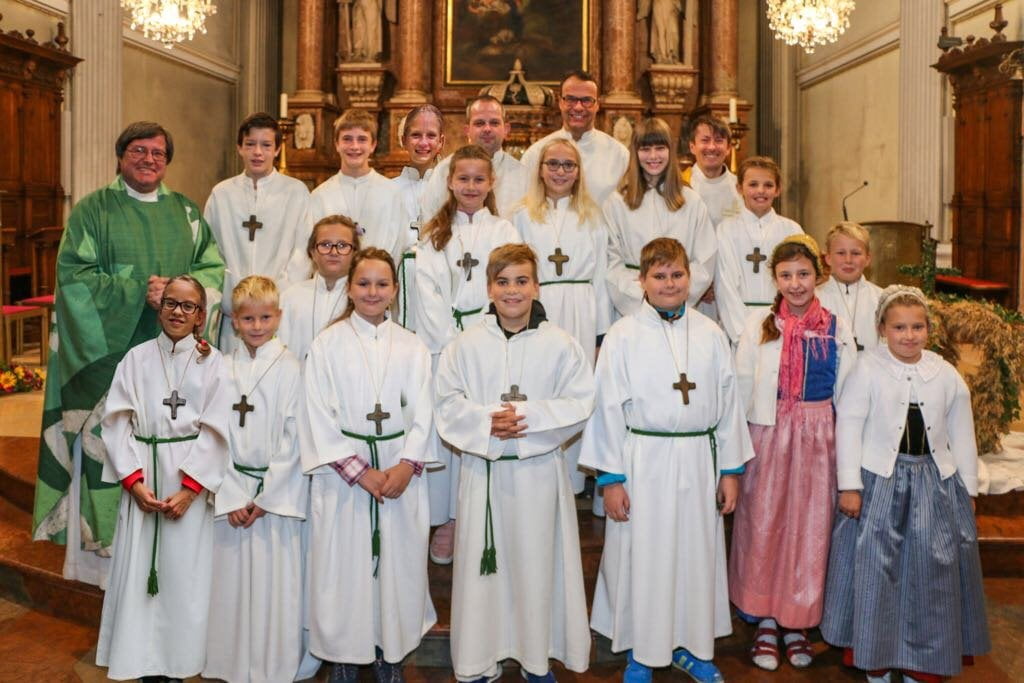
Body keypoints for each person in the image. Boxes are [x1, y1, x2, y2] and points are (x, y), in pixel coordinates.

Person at [32, 121, 225, 588]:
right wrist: (139, 290)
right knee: (109, 443)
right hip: (108, 360)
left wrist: (180, 294)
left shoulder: (186, 213)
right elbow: (74, 277)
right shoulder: (93, 210)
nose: (149, 160)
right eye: (139, 151)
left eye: (159, 153)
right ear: (120, 156)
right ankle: (104, 564)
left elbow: (212, 271)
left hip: (172, 363)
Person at [580, 237, 753, 683]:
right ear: (641, 281)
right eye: (659, 275)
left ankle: (692, 647)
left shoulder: (711, 334)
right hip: (644, 461)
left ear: (689, 278)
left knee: (697, 554)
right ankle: (643, 649)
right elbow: (606, 407)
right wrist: (612, 478)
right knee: (645, 555)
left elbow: (730, 403)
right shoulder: (622, 336)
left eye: (676, 274)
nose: (669, 282)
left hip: (699, 459)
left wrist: (730, 470)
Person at [434, 244, 594, 683]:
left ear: (536, 285)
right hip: (482, 473)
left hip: (537, 474)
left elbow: (580, 400)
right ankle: (480, 659)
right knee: (484, 572)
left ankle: (534, 657)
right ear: (488, 288)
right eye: (502, 282)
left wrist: (526, 421)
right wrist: (488, 422)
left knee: (535, 563)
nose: (512, 290)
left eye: (522, 281)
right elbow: (445, 403)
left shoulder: (560, 343)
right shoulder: (465, 344)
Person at [820, 285, 990, 683]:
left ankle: (922, 663)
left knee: (931, 575)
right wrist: (849, 484)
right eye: (899, 327)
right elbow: (848, 425)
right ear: (882, 328)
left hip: (933, 484)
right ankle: (877, 659)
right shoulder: (866, 368)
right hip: (879, 485)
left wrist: (968, 489)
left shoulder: (944, 373)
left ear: (929, 329)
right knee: (877, 572)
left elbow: (963, 435)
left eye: (917, 327)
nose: (909, 335)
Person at [300, 248, 437, 683]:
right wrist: (361, 472)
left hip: (399, 476)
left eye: (382, 284)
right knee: (343, 571)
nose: (372, 292)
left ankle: (389, 654)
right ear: (350, 288)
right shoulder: (327, 344)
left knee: (398, 568)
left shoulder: (412, 345)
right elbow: (316, 412)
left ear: (395, 290)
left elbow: (425, 411)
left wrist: (405, 466)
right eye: (363, 283)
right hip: (345, 482)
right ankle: (343, 655)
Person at [729, 234, 857, 671]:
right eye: (786, 275)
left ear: (818, 274)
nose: (796, 283)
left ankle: (797, 622)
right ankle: (765, 618)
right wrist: (736, 450)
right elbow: (740, 389)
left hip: (819, 438)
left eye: (803, 274)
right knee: (763, 524)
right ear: (775, 278)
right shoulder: (757, 326)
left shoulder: (837, 327)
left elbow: (851, 395)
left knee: (808, 529)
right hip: (768, 435)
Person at [95, 274, 231, 682]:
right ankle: (141, 664)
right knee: (140, 576)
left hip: (186, 482)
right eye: (171, 303)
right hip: (145, 478)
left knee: (181, 580)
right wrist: (134, 482)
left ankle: (176, 665)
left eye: (188, 306)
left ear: (200, 316)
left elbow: (218, 428)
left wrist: (190, 491)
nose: (177, 312)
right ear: (160, 307)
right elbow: (116, 421)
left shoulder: (215, 364)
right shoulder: (136, 359)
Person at [415, 144, 521, 565]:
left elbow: (514, 284)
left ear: (491, 183)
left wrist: (484, 335)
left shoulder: (506, 231)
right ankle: (445, 519)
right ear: (450, 182)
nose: (471, 186)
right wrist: (452, 340)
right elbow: (427, 289)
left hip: (492, 344)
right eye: (464, 179)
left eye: (480, 179)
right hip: (446, 345)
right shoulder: (434, 234)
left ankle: (476, 515)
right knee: (449, 430)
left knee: (485, 425)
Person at [203, 276, 307, 683]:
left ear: (278, 317)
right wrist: (230, 494)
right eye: (248, 318)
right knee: (229, 587)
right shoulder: (221, 369)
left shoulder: (292, 368)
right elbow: (210, 433)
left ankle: (273, 667)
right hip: (232, 492)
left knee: (274, 590)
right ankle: (230, 663)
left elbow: (296, 437)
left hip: (272, 502)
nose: (257, 326)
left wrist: (265, 498)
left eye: (265, 317)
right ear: (234, 321)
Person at [511, 137, 611, 495]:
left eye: (568, 165)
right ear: (539, 169)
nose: (560, 171)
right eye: (552, 163)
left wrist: (602, 335)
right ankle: (537, 470)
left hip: (582, 308)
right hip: (538, 309)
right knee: (540, 386)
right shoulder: (521, 215)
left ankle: (572, 481)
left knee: (576, 391)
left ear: (579, 172)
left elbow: (601, 277)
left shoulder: (592, 215)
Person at [204, 113, 311, 352]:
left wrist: (274, 299)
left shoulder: (296, 192)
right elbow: (210, 252)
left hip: (276, 312)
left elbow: (302, 252)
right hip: (234, 313)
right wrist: (232, 297)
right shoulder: (222, 195)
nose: (258, 152)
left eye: (266, 145)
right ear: (239, 148)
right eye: (250, 144)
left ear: (277, 149)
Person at [605, 117, 716, 317]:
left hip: (681, 308)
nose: (653, 156)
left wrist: (673, 295)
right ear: (635, 152)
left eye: (660, 148)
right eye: (645, 149)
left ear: (670, 151)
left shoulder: (691, 201)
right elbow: (611, 262)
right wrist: (645, 296)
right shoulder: (617, 202)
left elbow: (705, 261)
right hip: (633, 306)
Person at [715, 156, 803, 345]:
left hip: (784, 328)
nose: (760, 191)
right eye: (753, 184)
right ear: (739, 188)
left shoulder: (792, 231)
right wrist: (743, 336)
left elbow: (801, 283)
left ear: (778, 190)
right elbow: (725, 286)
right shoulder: (726, 230)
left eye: (768, 185)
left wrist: (785, 326)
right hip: (738, 331)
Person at [305, 109, 405, 265]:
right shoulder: (321, 195)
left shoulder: (391, 193)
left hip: (377, 280)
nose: (354, 146)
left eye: (362, 139)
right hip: (334, 281)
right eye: (347, 139)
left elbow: (399, 245)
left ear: (373, 145)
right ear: (337, 144)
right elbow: (314, 247)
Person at [520, 70, 630, 206]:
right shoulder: (535, 153)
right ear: (560, 102)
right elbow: (525, 205)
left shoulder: (619, 154)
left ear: (597, 105)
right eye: (571, 99)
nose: (578, 107)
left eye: (587, 100)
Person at [421, 95, 527, 220]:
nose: (487, 129)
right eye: (479, 123)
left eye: (494, 123)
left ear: (506, 129)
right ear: (467, 130)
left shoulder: (523, 174)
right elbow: (430, 219)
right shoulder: (445, 170)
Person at [392, 104, 446, 331]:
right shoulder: (388, 190)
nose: (423, 143)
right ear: (403, 140)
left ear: (441, 141)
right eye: (416, 135)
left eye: (431, 136)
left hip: (440, 284)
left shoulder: (450, 189)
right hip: (398, 286)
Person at [278, 215, 361, 362]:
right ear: (312, 252)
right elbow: (278, 353)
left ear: (355, 253)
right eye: (325, 245)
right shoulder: (291, 297)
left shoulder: (363, 299)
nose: (333, 252)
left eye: (342, 246)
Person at [816, 221, 883, 352]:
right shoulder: (815, 298)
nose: (848, 260)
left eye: (856, 253)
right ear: (828, 258)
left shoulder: (881, 298)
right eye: (841, 253)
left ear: (868, 259)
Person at [682, 115, 741, 226]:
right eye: (705, 140)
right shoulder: (679, 185)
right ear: (692, 147)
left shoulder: (741, 187)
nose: (712, 147)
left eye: (718, 141)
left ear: (728, 148)